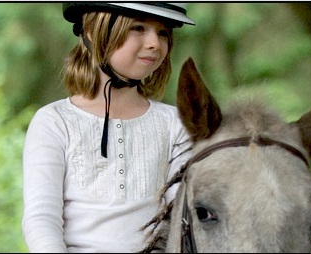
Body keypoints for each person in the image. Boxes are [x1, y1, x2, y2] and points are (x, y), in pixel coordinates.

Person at [22, 3, 196, 252]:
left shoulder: (174, 124)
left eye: (163, 33)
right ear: (94, 31)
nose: (154, 44)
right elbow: (41, 219)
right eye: (138, 28)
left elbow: (179, 217)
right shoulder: (55, 121)